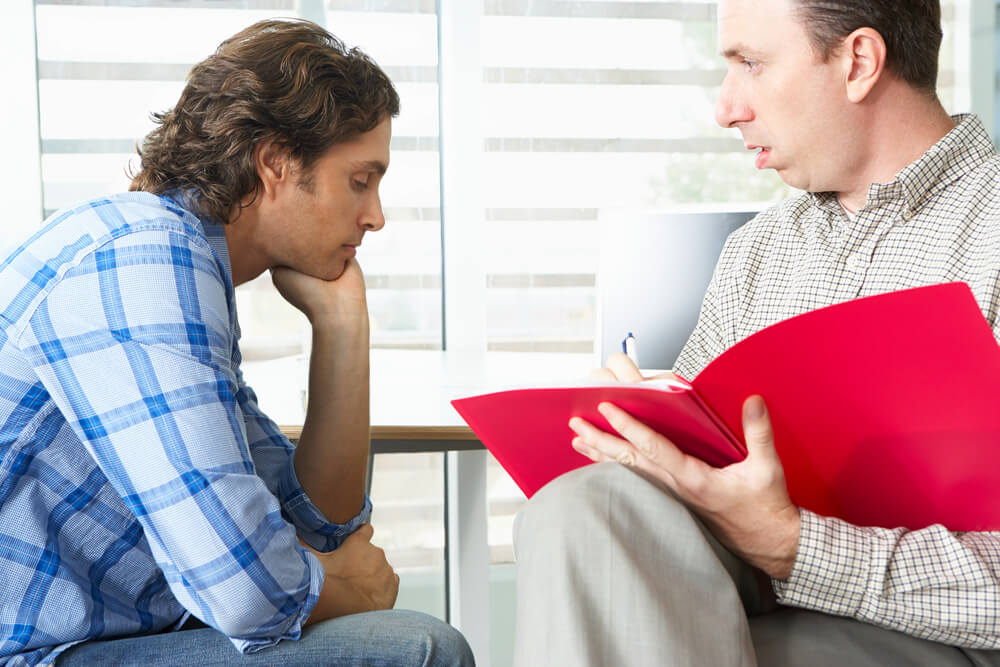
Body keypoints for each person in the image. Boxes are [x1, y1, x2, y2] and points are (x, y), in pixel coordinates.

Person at [512, 0, 1000, 665]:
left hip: (941, 634)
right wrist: (638, 440)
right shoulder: (757, 251)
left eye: (751, 63)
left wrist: (796, 547)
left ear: (859, 62)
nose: (725, 109)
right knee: (581, 505)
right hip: (751, 597)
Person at [0, 18, 473, 667]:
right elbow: (243, 592)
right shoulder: (144, 261)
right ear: (275, 162)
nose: (376, 216)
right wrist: (352, 590)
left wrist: (343, 326)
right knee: (418, 649)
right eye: (360, 180)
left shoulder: (184, 263)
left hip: (100, 640)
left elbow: (315, 526)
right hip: (35, 653)